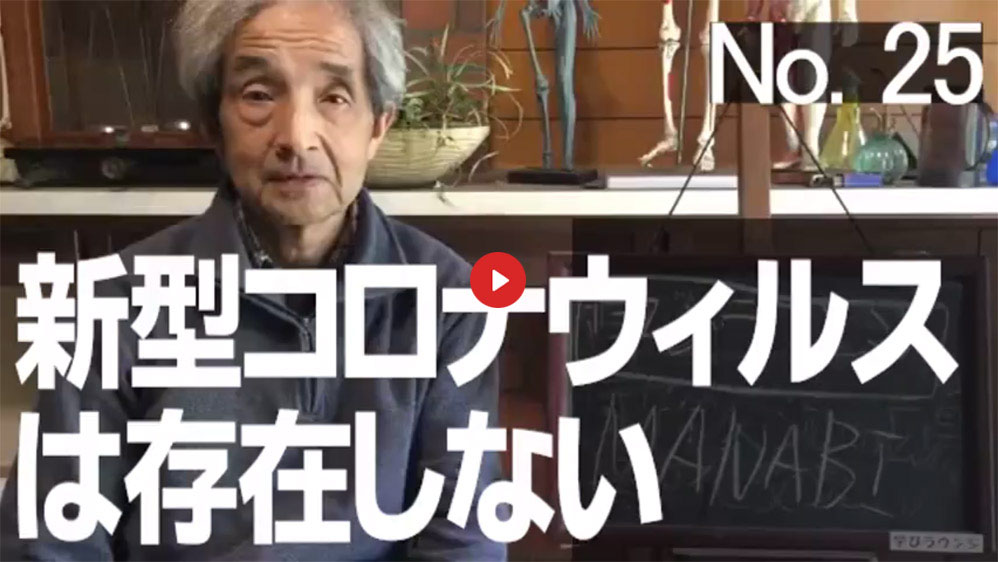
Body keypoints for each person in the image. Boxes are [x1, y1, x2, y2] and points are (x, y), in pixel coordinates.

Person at [0, 1, 505, 559]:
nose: (297, 138)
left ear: (377, 126)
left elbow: (462, 538)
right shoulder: (112, 305)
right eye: (259, 95)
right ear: (214, 127)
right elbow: (52, 541)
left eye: (334, 97)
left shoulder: (447, 301)